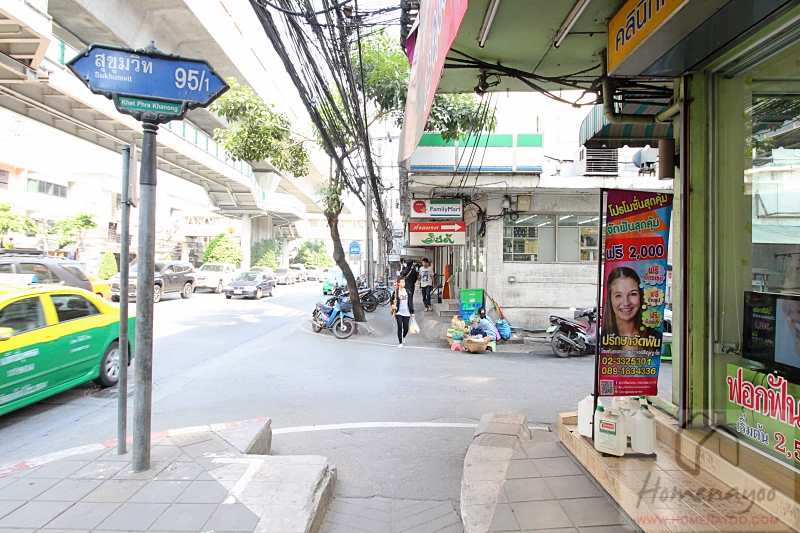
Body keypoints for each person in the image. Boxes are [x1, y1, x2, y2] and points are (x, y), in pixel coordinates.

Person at [602, 266, 660, 351]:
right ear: (610, 299)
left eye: (632, 294)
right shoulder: (601, 339)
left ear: (641, 296)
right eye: (618, 296)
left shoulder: (655, 337)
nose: (626, 303)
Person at [391, 277, 414, 348]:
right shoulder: (396, 292)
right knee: (400, 326)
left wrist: (412, 312)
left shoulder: (407, 291)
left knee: (406, 328)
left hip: (406, 312)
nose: (403, 284)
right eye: (402, 282)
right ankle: (400, 342)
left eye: (404, 282)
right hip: (398, 312)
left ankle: (403, 336)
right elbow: (391, 301)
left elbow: (410, 302)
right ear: (398, 283)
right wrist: (393, 306)